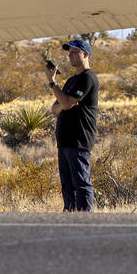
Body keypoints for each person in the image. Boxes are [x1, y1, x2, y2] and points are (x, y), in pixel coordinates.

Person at [46, 39, 99, 211]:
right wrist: (64, 102)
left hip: (79, 138)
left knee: (81, 182)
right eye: (69, 52)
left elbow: (67, 104)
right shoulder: (70, 81)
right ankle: (70, 214)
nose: (71, 55)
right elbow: (55, 108)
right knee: (67, 183)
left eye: (75, 52)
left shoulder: (88, 78)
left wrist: (53, 84)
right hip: (65, 140)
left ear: (85, 54)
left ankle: (85, 219)